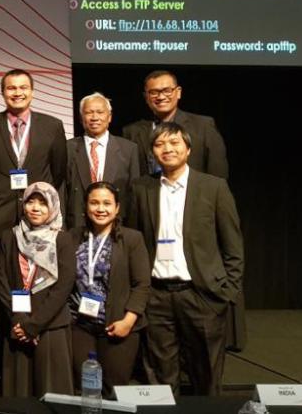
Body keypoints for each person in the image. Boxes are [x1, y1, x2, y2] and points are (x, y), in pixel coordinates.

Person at [126, 122, 243, 396]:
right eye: (159, 144)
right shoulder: (141, 188)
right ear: (152, 152)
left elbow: (233, 246)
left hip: (201, 295)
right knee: (161, 377)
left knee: (207, 375)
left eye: (174, 143)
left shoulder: (214, 187)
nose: (167, 149)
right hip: (156, 296)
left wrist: (226, 293)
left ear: (188, 149)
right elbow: (134, 243)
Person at [67, 181, 150, 395]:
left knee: (114, 389)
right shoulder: (73, 236)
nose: (100, 209)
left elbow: (142, 284)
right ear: (86, 206)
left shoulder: (132, 239)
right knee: (84, 387)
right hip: (81, 325)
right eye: (94, 203)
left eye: (107, 203)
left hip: (118, 325)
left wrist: (128, 321)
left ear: (117, 207)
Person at [0, 181, 75, 397]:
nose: (35, 208)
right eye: (31, 201)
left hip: (51, 326)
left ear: (53, 207)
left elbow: (63, 287)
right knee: (18, 394)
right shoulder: (10, 236)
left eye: (43, 203)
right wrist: (19, 320)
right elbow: (1, 281)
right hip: (17, 326)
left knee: (52, 394)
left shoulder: (62, 239)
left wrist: (35, 324)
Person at [0, 69, 66, 239]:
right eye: (11, 88)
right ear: (3, 92)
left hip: (39, 217)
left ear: (32, 92)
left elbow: (59, 172)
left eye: (23, 87)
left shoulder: (53, 126)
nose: (18, 93)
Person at [122, 70, 228, 179]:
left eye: (167, 91)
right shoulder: (132, 131)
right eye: (154, 92)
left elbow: (218, 174)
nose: (161, 97)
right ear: (146, 97)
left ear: (178, 92)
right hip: (148, 194)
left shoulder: (203, 126)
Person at [65, 93, 141, 230]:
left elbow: (134, 196)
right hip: (77, 227)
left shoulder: (128, 149)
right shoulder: (67, 148)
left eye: (100, 112)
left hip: (117, 227)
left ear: (109, 117)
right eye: (89, 112)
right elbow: (63, 192)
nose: (95, 117)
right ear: (81, 118)